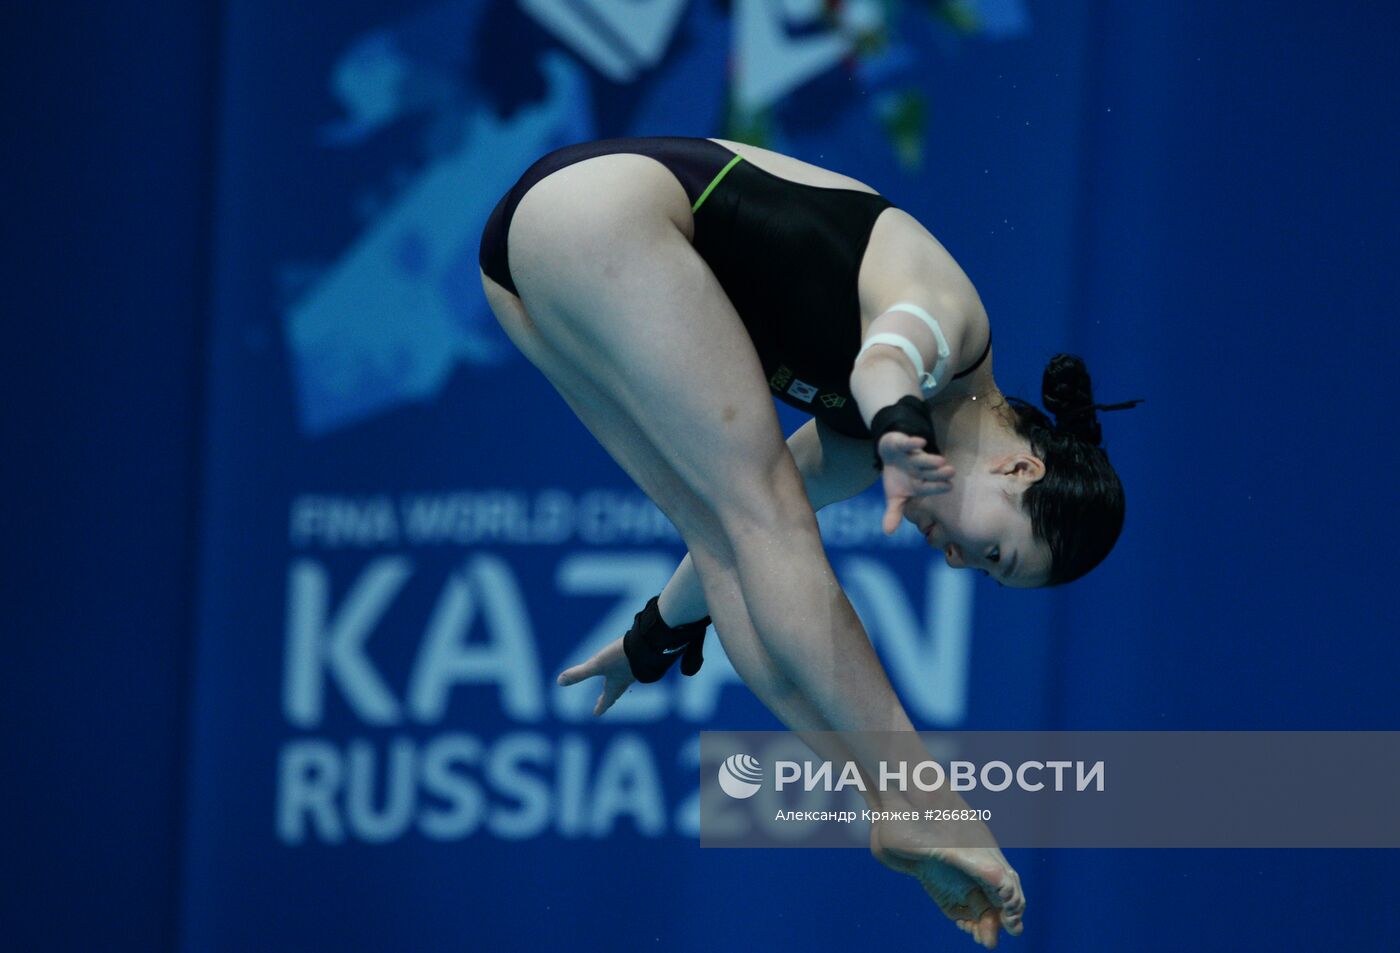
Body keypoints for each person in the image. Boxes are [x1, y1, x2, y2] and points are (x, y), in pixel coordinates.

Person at [480, 136, 1135, 949]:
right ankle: (931, 800)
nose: (958, 561)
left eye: (981, 572)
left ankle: (893, 807)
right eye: (994, 551)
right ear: (1019, 466)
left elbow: (729, 531)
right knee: (769, 519)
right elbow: (888, 358)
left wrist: (653, 636)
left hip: (522, 266)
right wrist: (896, 420)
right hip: (603, 208)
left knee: (731, 539)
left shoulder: (866, 448)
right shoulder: (957, 328)